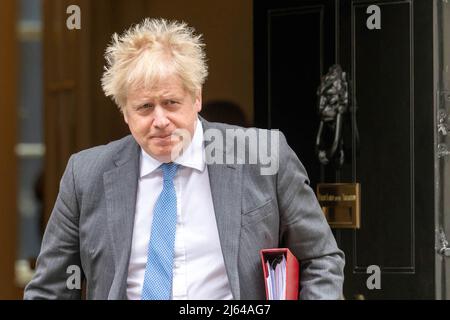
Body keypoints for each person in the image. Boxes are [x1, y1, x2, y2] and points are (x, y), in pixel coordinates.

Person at [24, 18, 344, 300]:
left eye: (171, 102)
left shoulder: (264, 156)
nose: (160, 120)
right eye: (145, 107)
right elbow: (50, 289)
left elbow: (321, 259)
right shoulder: (85, 175)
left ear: (197, 97)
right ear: (124, 112)